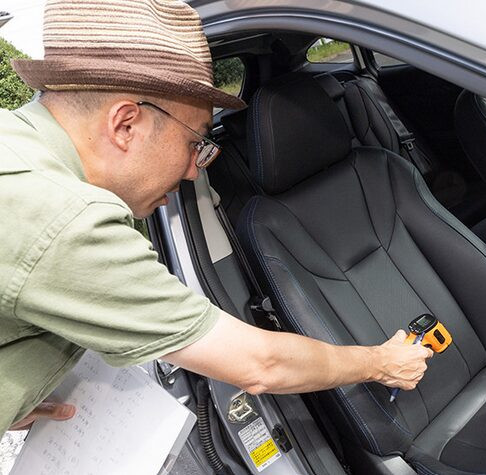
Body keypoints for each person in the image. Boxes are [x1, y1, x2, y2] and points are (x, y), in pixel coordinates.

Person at [0, 0, 432, 434]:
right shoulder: (66, 220)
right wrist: (382, 362)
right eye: (195, 142)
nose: (195, 171)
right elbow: (260, 364)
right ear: (126, 125)